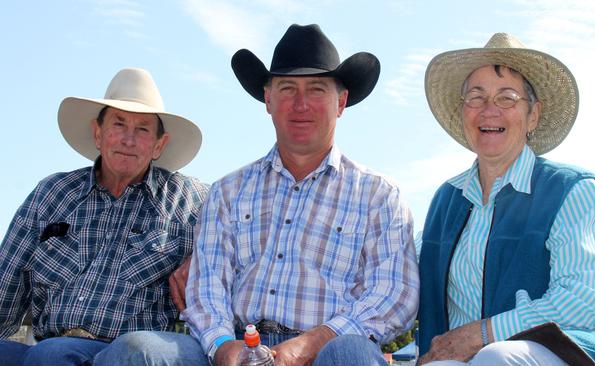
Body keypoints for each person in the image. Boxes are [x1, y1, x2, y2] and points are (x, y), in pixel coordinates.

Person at [109, 24, 419, 366]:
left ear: (341, 101)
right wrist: (226, 347)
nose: (300, 104)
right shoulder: (228, 191)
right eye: (287, 88)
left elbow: (394, 295)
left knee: (352, 353)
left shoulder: (379, 195)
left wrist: (313, 342)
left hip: (329, 349)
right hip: (239, 344)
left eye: (316, 89)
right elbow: (207, 287)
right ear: (268, 100)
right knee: (139, 351)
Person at [417, 33, 595, 365]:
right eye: (476, 97)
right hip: (471, 360)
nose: (489, 110)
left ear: (533, 115)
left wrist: (480, 334)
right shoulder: (447, 199)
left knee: (498, 356)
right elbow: (404, 279)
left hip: (580, 353)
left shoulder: (575, 190)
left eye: (507, 98)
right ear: (463, 111)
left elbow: (587, 301)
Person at [0, 67, 209, 366]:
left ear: (158, 145)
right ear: (98, 134)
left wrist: (200, 255)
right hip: (47, 345)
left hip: (126, 350)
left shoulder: (192, 201)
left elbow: (239, 227)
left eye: (143, 129)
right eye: (119, 124)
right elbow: (5, 284)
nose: (128, 139)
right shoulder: (52, 193)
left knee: (52, 354)